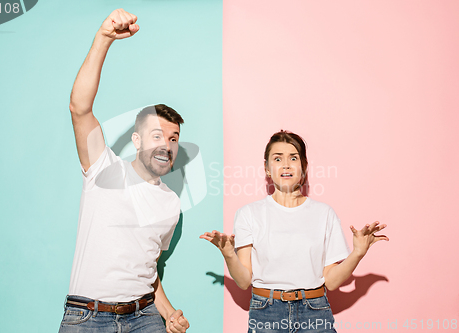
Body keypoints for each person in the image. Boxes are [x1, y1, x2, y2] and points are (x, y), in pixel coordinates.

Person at [59, 9, 189, 333]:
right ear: (137, 140)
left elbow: (148, 270)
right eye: (157, 135)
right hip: (87, 317)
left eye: (173, 139)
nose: (166, 145)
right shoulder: (103, 167)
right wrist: (104, 38)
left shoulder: (171, 204)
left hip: (145, 318)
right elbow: (80, 108)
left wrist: (169, 313)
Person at [200, 130, 388, 332]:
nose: (286, 165)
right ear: (267, 168)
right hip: (266, 312)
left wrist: (358, 253)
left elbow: (332, 282)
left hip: (315, 311)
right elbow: (244, 281)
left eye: (293, 158)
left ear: (304, 166)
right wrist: (229, 254)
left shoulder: (324, 213)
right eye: (278, 158)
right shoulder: (249, 214)